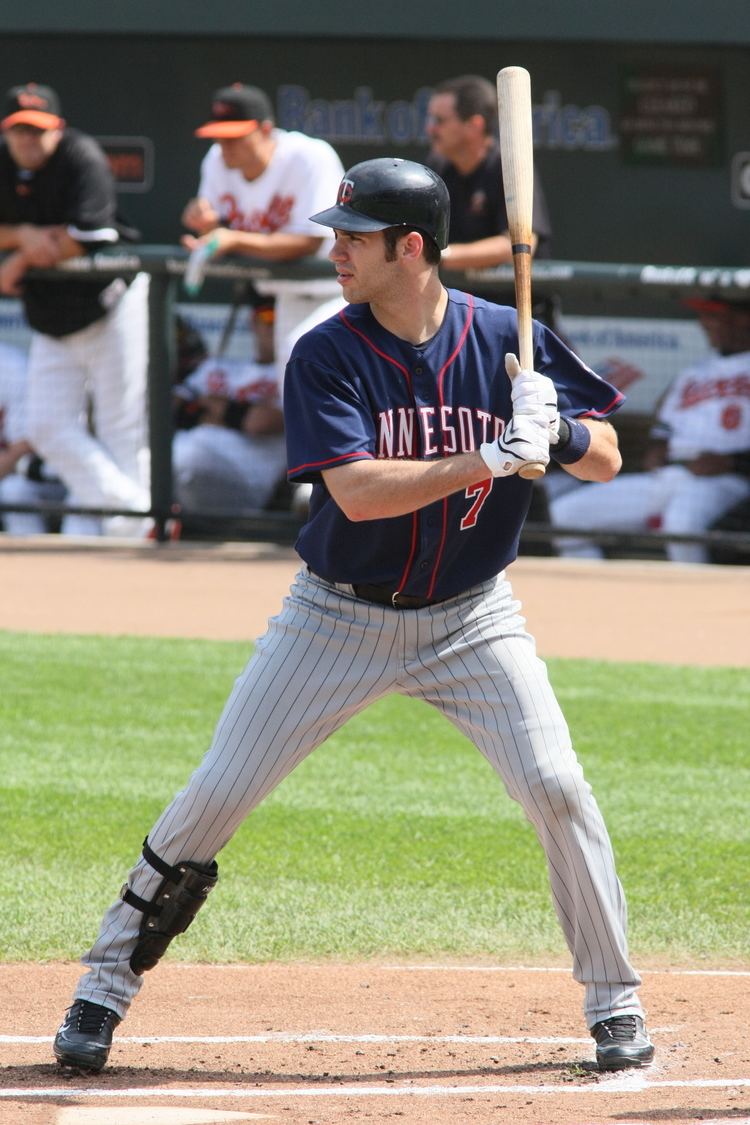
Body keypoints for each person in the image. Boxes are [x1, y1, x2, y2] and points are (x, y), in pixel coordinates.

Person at [53, 157, 653, 1077]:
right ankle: (102, 985)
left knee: (557, 786)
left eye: (354, 237)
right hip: (335, 617)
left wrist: (563, 434)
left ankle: (615, 1000)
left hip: (473, 619)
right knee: (217, 793)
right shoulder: (327, 351)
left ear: (410, 247)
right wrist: (492, 456)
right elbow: (361, 493)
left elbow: (608, 457)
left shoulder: (508, 336)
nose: (335, 249)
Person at [0, 82, 150, 536]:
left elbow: (89, 235)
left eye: (38, 130)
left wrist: (22, 256)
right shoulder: (3, 163)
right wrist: (25, 235)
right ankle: (141, 518)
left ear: (57, 128)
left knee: (119, 429)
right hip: (52, 315)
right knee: (46, 427)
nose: (28, 140)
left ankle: (134, 539)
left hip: (109, 303)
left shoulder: (79, 156)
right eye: (19, 130)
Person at [550, 293, 750, 564]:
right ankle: (596, 600)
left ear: (743, 319)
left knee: (681, 525)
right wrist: (656, 450)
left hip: (724, 480)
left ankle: (694, 603)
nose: (704, 322)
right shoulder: (693, 374)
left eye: (714, 315)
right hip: (670, 476)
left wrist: (733, 462)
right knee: (566, 515)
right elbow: (663, 431)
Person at [181, 83, 346, 385]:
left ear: (266, 129)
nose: (224, 145)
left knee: (309, 363)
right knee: (292, 391)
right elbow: (215, 222)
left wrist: (233, 239)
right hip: (284, 296)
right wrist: (204, 224)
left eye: (235, 137)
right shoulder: (217, 161)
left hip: (339, 291)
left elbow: (309, 242)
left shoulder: (308, 157)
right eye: (219, 136)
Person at [426, 74, 552, 271]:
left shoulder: (508, 165)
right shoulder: (437, 167)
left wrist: (440, 255)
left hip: (515, 299)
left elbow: (519, 244)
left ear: (474, 125)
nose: (430, 128)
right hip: (464, 299)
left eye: (439, 120)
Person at [172, 308, 286, 515]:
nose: (275, 325)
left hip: (243, 479)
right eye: (268, 315)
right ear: (254, 322)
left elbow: (261, 422)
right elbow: (172, 408)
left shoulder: (294, 371)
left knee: (184, 456)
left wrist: (205, 408)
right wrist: (235, 413)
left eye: (283, 316)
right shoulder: (220, 367)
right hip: (188, 461)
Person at [0, 339, 67, 533]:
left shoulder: (12, 366)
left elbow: (22, 447)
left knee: (15, 491)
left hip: (40, 476)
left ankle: (27, 560)